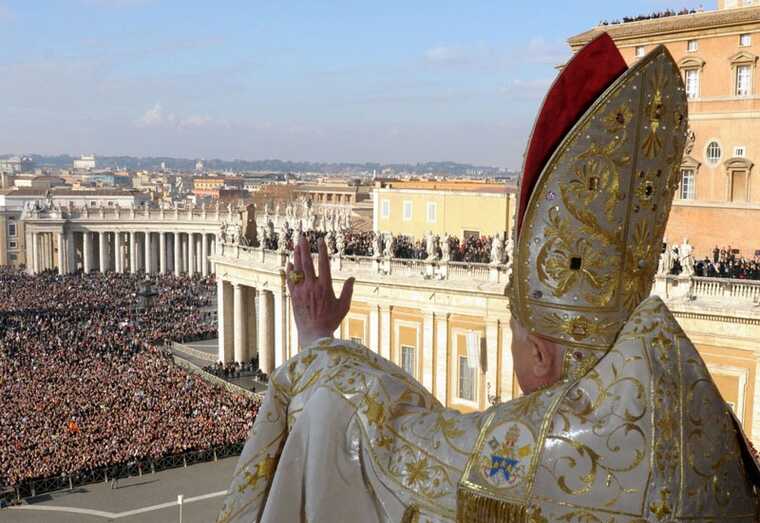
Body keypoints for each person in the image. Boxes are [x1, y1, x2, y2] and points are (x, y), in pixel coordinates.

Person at [218, 35, 759, 523]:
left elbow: (379, 435)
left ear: (543, 356)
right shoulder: (701, 422)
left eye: (516, 332)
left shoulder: (539, 453)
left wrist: (316, 341)